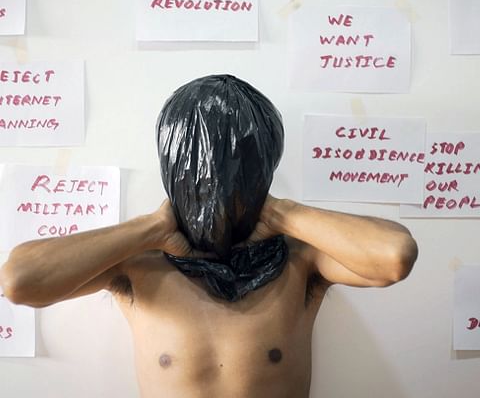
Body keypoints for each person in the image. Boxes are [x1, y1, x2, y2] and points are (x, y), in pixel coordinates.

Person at [0, 76, 418, 398]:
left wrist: (281, 212)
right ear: (174, 172)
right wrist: (152, 228)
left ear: (261, 173)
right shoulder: (136, 265)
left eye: (236, 174)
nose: (216, 190)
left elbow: (395, 256)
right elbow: (20, 281)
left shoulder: (301, 261)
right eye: (199, 175)